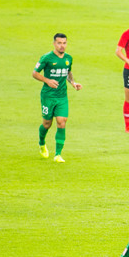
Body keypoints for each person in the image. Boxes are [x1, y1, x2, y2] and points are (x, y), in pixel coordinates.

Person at [32, 33, 81, 163]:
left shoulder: (68, 58)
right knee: (47, 124)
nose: (62, 46)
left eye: (64, 43)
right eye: (59, 43)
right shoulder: (47, 58)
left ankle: (58, 154)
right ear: (54, 43)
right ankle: (42, 142)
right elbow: (35, 73)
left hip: (62, 96)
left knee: (62, 122)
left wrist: (73, 83)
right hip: (48, 96)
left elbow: (68, 72)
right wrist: (47, 80)